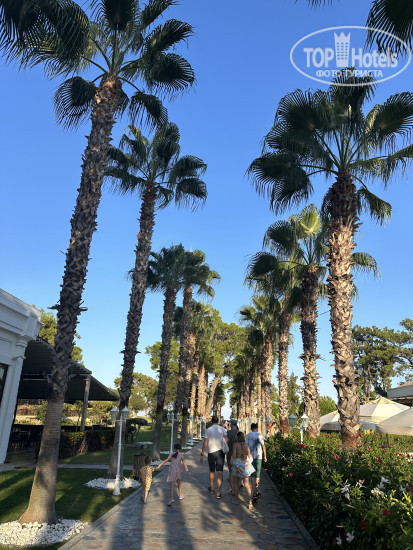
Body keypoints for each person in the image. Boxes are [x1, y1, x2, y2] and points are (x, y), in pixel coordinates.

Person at [200, 415, 229, 499]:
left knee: (212, 471)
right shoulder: (222, 429)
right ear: (218, 422)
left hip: (211, 452)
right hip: (220, 452)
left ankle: (212, 489)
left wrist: (202, 454)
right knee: (220, 471)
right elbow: (227, 440)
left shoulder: (208, 430)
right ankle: (218, 493)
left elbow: (205, 443)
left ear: (211, 421)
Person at [231, 431, 255, 509]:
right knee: (247, 484)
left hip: (237, 465)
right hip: (245, 465)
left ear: (237, 437)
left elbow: (234, 456)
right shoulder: (246, 445)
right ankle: (250, 502)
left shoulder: (235, 445)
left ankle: (237, 500)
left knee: (236, 483)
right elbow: (250, 456)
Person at [246, 423, 267, 502]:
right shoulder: (260, 435)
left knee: (252, 475)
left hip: (250, 457)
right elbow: (263, 446)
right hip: (259, 457)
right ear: (256, 428)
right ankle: (256, 491)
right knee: (257, 474)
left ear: (251, 428)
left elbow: (246, 446)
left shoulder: (248, 436)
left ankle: (254, 492)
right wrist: (265, 456)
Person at [226, 419, 238, 495]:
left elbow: (225, 443)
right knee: (237, 471)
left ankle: (232, 489)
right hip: (238, 454)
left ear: (231, 425)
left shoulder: (228, 433)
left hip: (229, 453)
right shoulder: (239, 433)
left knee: (230, 471)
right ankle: (237, 487)